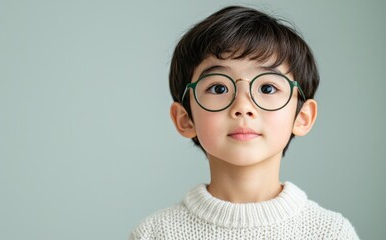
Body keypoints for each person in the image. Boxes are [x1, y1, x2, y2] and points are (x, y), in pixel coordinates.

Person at [130, 5, 359, 239]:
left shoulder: (330, 232)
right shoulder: (155, 233)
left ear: (302, 117)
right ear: (185, 119)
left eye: (267, 88)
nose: (242, 107)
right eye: (218, 88)